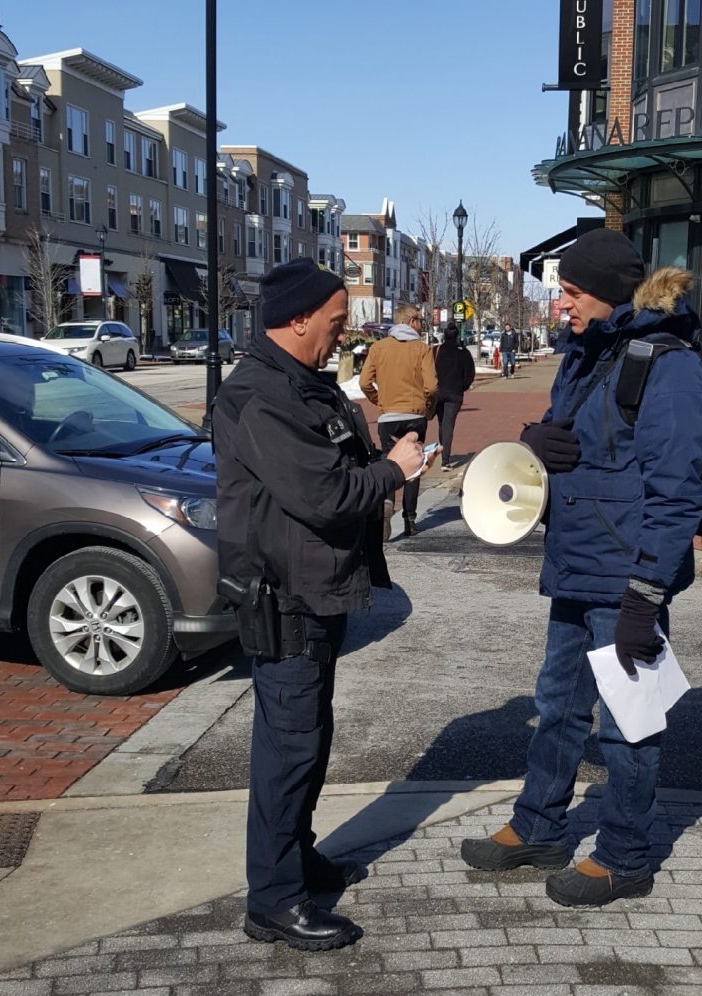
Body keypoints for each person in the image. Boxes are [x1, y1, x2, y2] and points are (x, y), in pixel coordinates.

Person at [460, 228, 702, 908]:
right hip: (575, 566)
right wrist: (535, 443)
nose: (560, 304)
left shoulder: (667, 365)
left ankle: (625, 855)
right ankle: (539, 825)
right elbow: (573, 443)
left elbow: (677, 491)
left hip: (626, 579)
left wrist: (644, 595)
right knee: (557, 708)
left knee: (628, 721)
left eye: (570, 292)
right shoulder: (583, 355)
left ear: (603, 293)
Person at [214, 259, 430, 951]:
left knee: (308, 741)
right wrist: (395, 470)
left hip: (316, 591)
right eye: (336, 322)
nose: (343, 336)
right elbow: (324, 495)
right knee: (289, 748)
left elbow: (336, 472)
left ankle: (295, 859)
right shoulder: (261, 395)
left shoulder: (302, 386)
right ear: (298, 318)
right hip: (284, 598)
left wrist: (380, 461)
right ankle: (273, 901)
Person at [359, 303, 437, 537]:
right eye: (421, 320)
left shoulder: (379, 348)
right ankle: (410, 519)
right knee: (413, 465)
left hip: (389, 416)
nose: (422, 324)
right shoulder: (422, 349)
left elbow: (364, 382)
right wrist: (427, 409)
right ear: (411, 321)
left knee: (389, 461)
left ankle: (386, 505)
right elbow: (432, 387)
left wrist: (380, 400)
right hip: (415, 415)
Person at [433, 321, 476, 470]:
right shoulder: (463, 352)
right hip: (455, 392)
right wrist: (462, 386)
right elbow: (470, 373)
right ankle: (445, 460)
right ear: (457, 336)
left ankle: (443, 450)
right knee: (448, 425)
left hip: (439, 391)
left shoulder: (436, 351)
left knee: (441, 423)